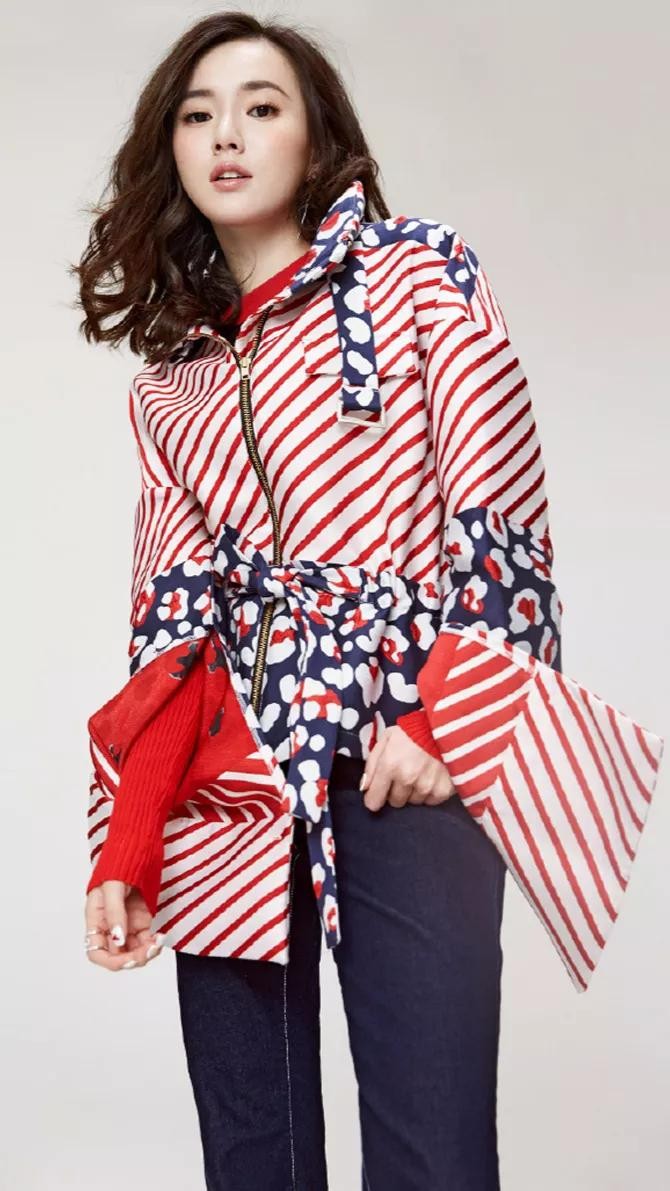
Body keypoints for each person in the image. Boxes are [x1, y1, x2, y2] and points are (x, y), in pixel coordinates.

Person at [72, 11, 562, 1190]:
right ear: (170, 149)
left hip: (406, 753)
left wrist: (446, 715)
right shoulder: (172, 387)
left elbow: (501, 510)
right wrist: (130, 838)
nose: (226, 135)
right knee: (253, 1156)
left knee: (433, 1153)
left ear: (315, 136)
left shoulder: (417, 274)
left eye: (261, 107)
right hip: (233, 779)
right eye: (198, 115)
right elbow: (172, 631)